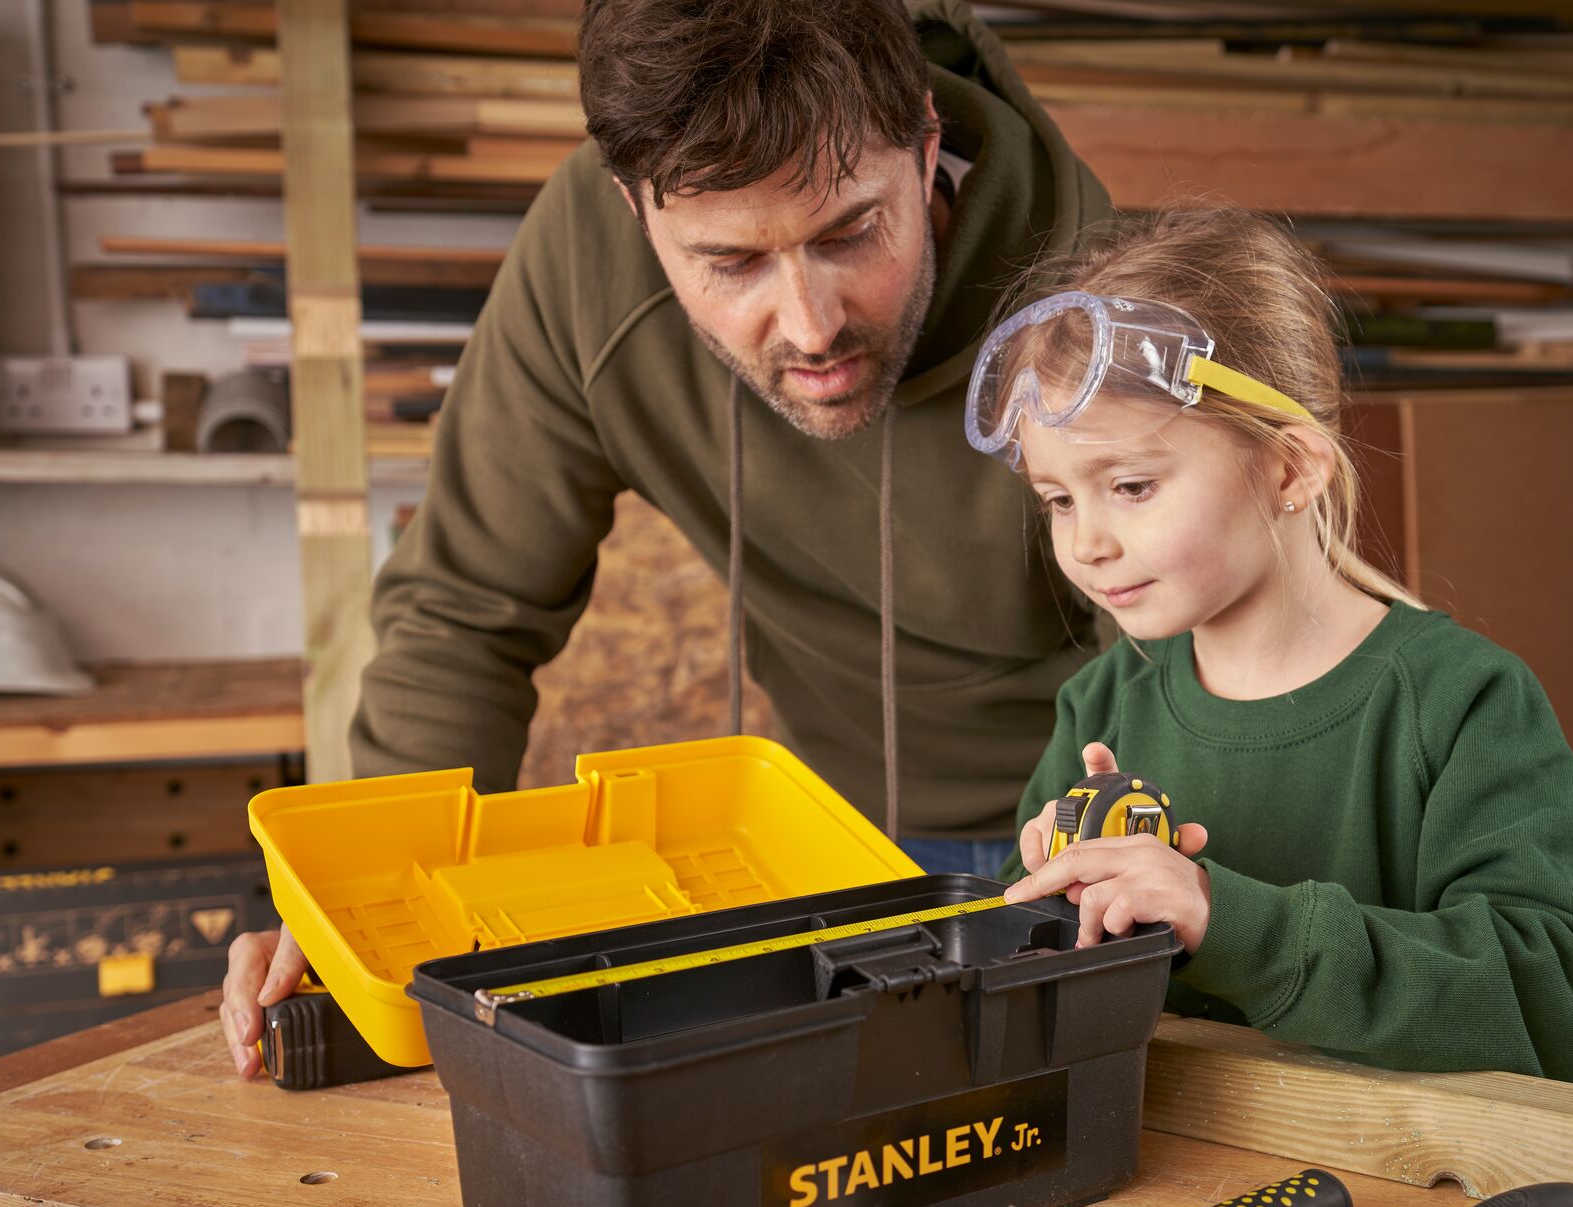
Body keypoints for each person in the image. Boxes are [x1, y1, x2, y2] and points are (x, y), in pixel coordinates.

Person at [218, 0, 1114, 1079]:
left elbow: (1204, 658)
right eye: (731, 263)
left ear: (925, 142)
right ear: (631, 209)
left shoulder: (1098, 297)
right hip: (819, 844)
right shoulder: (585, 266)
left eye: (849, 232)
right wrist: (361, 919)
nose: (810, 322)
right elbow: (464, 614)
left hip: (1085, 836)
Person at [981, 210, 1573, 1080]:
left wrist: (1224, 917)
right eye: (1060, 500)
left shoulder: (1460, 704)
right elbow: (1020, 994)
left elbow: (1554, 995)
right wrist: (1058, 917)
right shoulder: (1102, 707)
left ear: (1290, 469)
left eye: (1132, 485)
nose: (1087, 542)